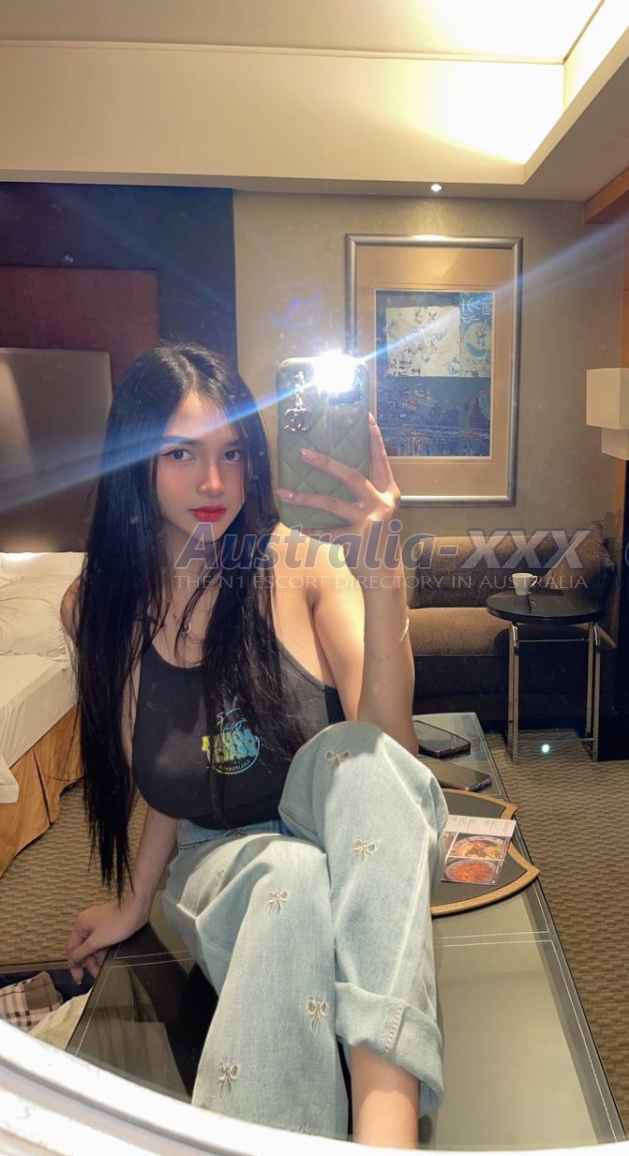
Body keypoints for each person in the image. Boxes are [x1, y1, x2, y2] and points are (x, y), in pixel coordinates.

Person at [61, 343, 447, 1147]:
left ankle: (387, 1124)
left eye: (232, 453)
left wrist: (381, 571)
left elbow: (392, 756)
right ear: (135, 460)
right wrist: (134, 901)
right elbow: (172, 782)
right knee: (286, 874)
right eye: (181, 454)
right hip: (221, 862)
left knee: (354, 756)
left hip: (347, 842)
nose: (214, 482)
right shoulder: (98, 608)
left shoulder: (305, 566)